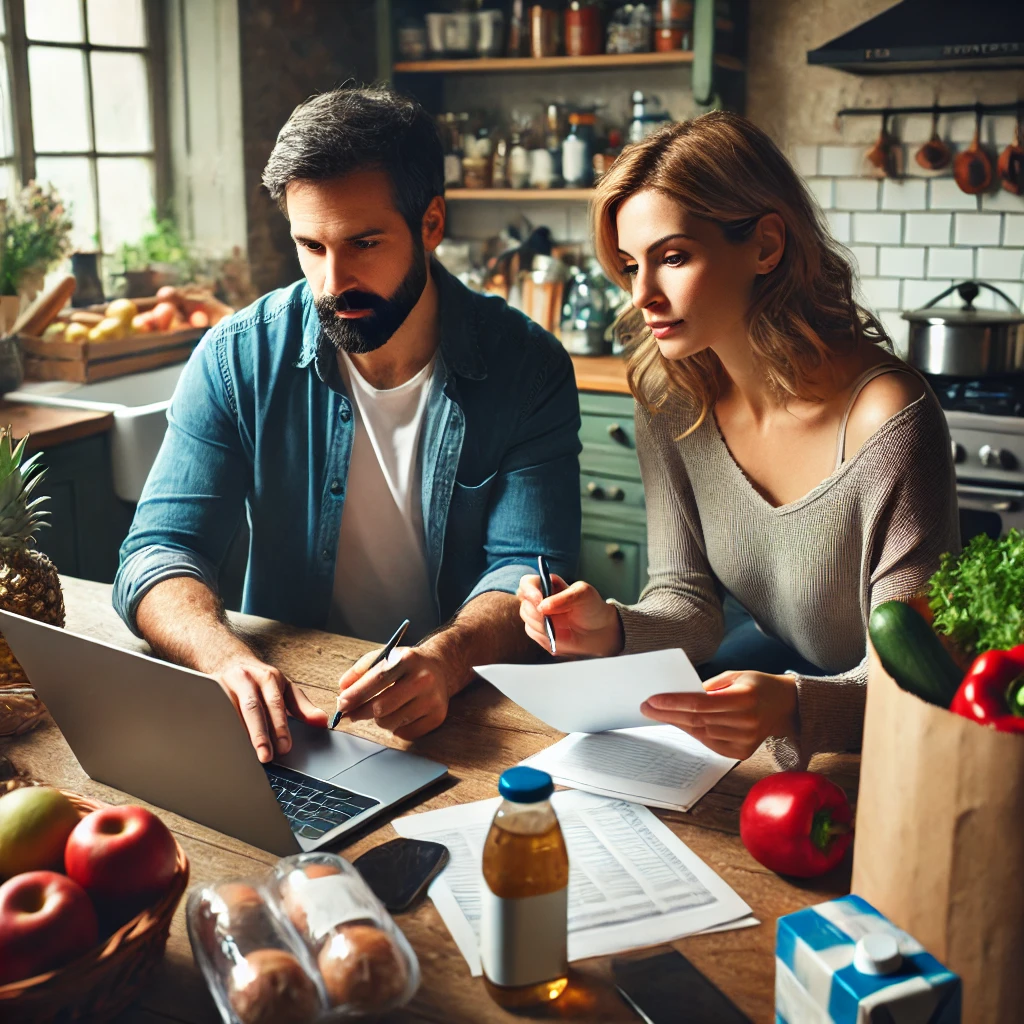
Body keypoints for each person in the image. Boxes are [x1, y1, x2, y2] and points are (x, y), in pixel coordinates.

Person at [114, 85, 581, 763]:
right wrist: (223, 659)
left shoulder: (529, 367)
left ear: (431, 223)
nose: (334, 281)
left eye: (364, 242)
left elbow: (532, 571)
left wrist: (445, 661)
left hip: (472, 714)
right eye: (311, 245)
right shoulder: (237, 356)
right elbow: (157, 552)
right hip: (294, 716)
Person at [518, 111, 959, 770]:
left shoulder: (887, 421)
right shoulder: (669, 399)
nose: (643, 295)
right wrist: (612, 626)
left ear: (765, 246)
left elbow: (919, 676)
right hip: (784, 691)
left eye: (673, 257)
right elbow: (690, 603)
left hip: (908, 745)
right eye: (630, 264)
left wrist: (794, 706)